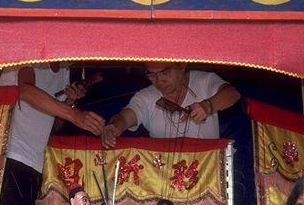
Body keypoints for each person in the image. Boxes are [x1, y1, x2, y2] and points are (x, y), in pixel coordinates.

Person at [0, 63, 105, 205]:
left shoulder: (63, 69)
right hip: (10, 153)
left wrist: (70, 101)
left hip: (35, 161)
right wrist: (75, 115)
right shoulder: (32, 55)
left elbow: (55, 125)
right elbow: (25, 90)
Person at [101, 62, 241, 148]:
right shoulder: (146, 96)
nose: (159, 80)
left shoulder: (204, 81)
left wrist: (208, 106)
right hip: (164, 172)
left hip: (206, 168)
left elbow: (233, 93)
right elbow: (125, 117)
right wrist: (114, 127)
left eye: (165, 73)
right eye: (152, 75)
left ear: (182, 65)